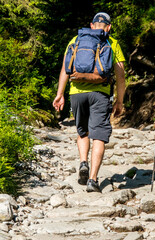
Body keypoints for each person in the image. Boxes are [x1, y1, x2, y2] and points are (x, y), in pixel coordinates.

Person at [52, 12, 126, 192]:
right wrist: (119, 101)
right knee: (99, 135)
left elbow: (65, 68)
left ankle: (83, 161)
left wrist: (60, 94)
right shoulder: (112, 42)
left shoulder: (75, 40)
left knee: (82, 132)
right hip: (100, 94)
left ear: (92, 25)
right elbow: (121, 75)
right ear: (108, 27)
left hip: (76, 93)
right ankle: (93, 180)